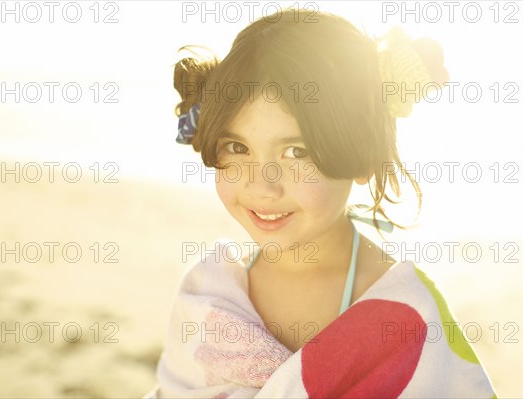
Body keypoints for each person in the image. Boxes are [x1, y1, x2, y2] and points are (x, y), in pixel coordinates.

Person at [146, 8, 497, 398]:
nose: (262, 187)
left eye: (297, 152)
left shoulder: (405, 315)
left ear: (364, 156)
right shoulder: (208, 291)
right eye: (237, 147)